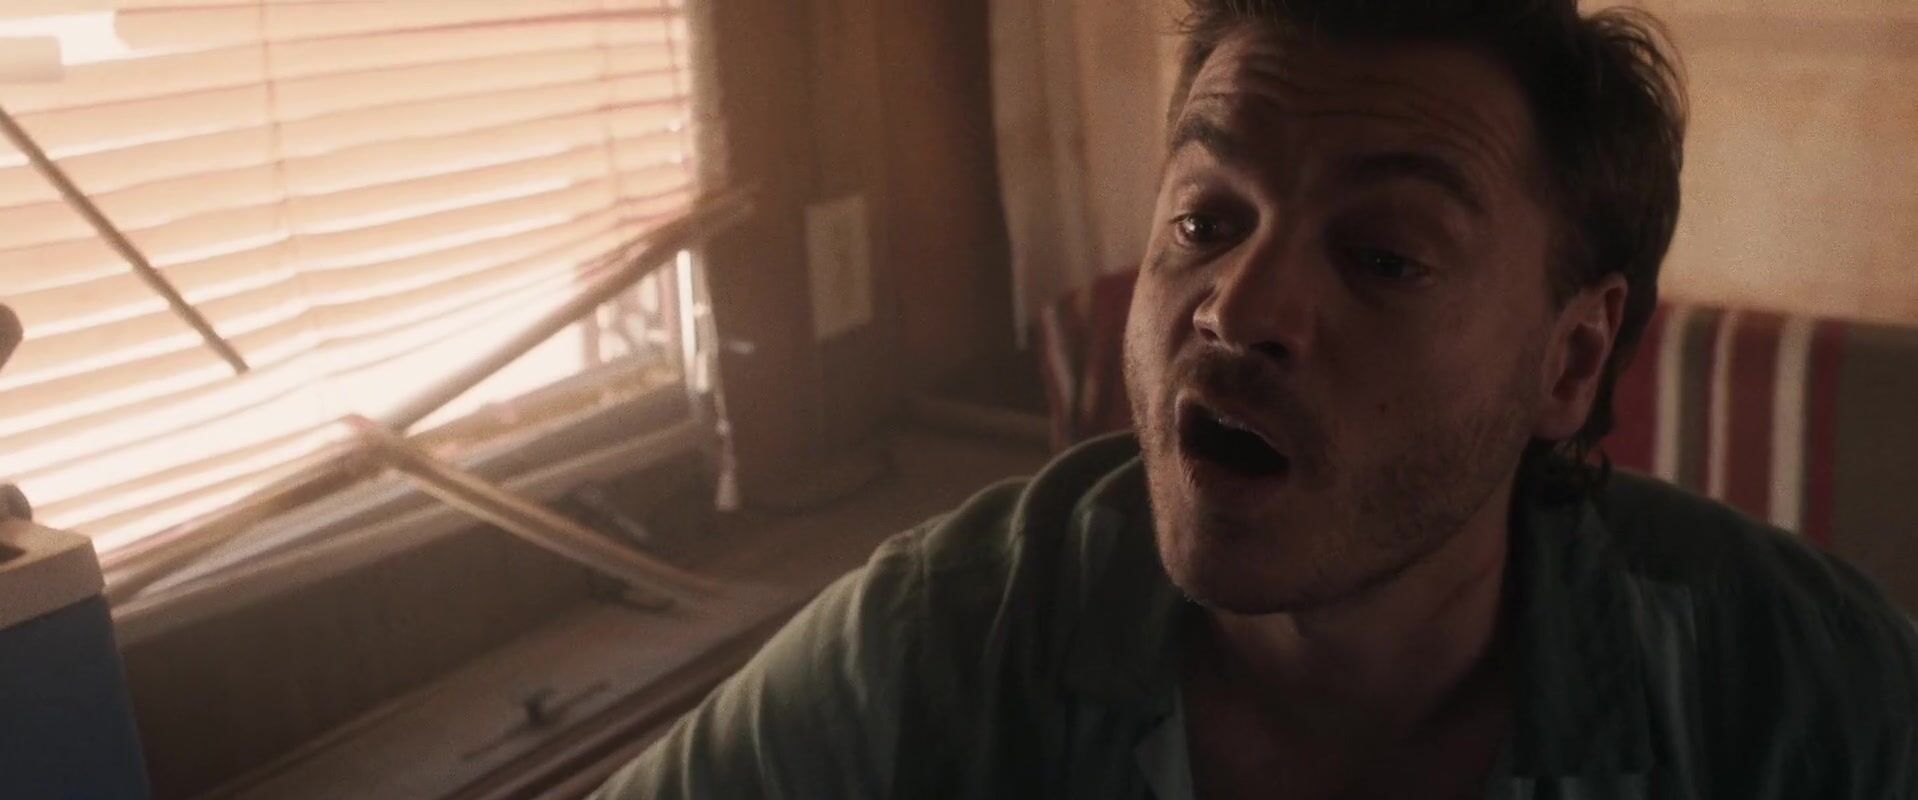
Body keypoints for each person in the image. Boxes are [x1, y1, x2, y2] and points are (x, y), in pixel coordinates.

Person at [593, 1, 1918, 797]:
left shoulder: (1793, 692)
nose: (1235, 307)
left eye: (1383, 256)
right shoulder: (939, 647)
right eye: (1205, 221)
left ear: (1568, 362)